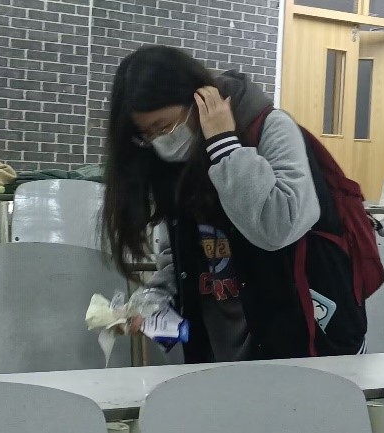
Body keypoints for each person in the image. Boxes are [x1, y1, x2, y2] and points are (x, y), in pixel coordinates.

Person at [102, 45, 367, 363]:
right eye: (148, 134)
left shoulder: (270, 128)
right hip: (220, 348)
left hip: (303, 340)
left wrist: (224, 144)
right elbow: (178, 256)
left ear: (198, 101)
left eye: (164, 126)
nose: (161, 140)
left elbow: (278, 227)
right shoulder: (173, 163)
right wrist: (153, 301)